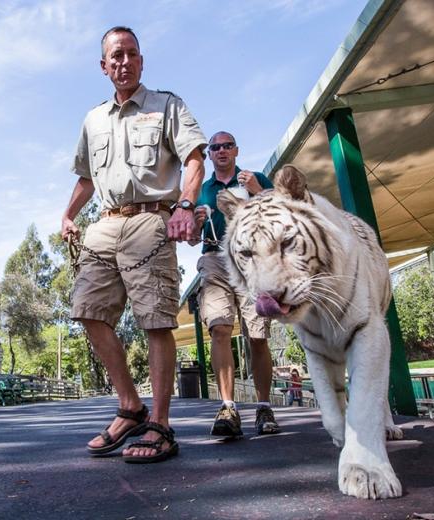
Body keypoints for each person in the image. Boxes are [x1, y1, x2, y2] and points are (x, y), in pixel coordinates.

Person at [61, 26, 207, 464]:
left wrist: (185, 205)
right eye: (115, 56)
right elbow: (86, 178)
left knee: (155, 318)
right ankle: (130, 406)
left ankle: (160, 424)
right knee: (86, 310)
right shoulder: (93, 119)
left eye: (131, 55)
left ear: (141, 61)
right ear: (104, 66)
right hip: (104, 224)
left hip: (152, 218)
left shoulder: (167, 105)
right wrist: (68, 213)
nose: (123, 62)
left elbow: (195, 157)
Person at [193, 131, 280, 438]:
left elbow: (282, 215)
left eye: (227, 145)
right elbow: (191, 238)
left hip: (251, 260)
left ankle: (263, 406)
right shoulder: (202, 191)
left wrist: (258, 193)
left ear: (236, 150)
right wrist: (197, 224)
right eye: (215, 147)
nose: (221, 151)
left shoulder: (255, 179)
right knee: (219, 327)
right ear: (210, 155)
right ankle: (228, 406)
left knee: (256, 335)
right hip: (215, 258)